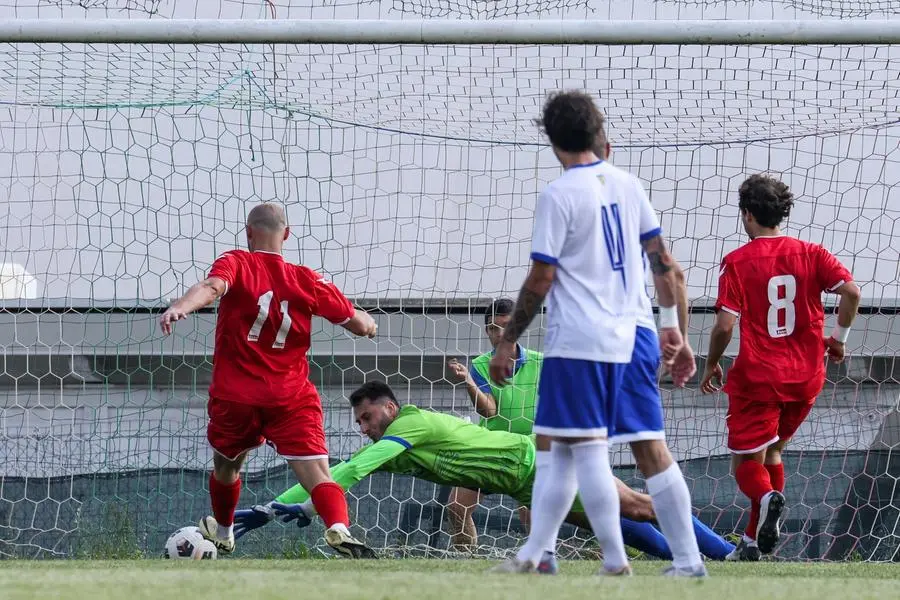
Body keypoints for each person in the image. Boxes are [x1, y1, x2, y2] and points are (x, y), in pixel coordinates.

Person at [488, 91, 705, 577]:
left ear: (552, 140)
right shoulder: (629, 184)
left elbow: (541, 278)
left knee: (560, 443)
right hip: (638, 333)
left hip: (582, 340)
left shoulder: (560, 194)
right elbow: (664, 262)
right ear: (597, 132)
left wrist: (507, 341)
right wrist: (673, 331)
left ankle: (561, 555)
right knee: (645, 446)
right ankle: (687, 561)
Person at [231, 381, 735, 564]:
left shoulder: (410, 425)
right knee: (614, 527)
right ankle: (698, 563)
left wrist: (288, 503)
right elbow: (335, 468)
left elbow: (355, 469)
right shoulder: (393, 441)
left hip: (534, 461)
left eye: (367, 417)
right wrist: (280, 502)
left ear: (389, 407)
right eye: (359, 421)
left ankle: (730, 553)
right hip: (524, 482)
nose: (363, 427)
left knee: (639, 506)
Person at [158, 203, 379, 558]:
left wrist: (182, 306)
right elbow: (357, 323)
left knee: (227, 466)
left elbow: (213, 287)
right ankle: (338, 527)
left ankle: (225, 531)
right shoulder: (307, 278)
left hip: (236, 395)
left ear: (248, 233)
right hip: (289, 396)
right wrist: (369, 324)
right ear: (287, 235)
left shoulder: (237, 262)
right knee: (318, 475)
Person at [700, 174, 860, 561]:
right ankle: (752, 543)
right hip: (806, 377)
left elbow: (724, 324)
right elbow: (852, 291)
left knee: (744, 463)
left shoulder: (737, 261)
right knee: (773, 452)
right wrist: (838, 339)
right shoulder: (812, 252)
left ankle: (768, 497)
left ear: (747, 214)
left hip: (759, 378)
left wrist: (712, 364)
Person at [445, 297, 542, 549]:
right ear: (487, 330)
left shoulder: (542, 363)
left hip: (531, 450)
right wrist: (468, 381)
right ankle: (467, 561)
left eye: (507, 327)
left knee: (532, 515)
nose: (500, 334)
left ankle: (541, 563)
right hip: (494, 448)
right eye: (493, 328)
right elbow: (489, 411)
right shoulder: (479, 365)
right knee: (456, 507)